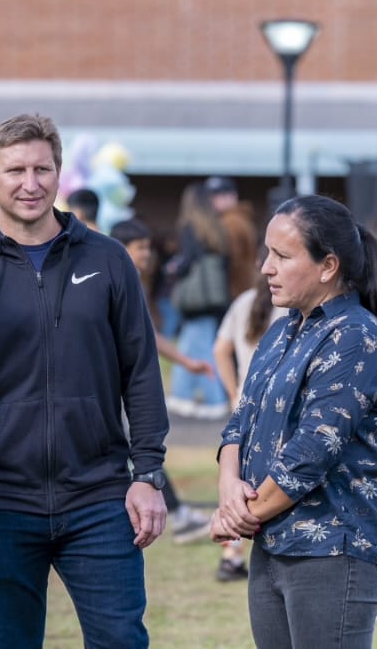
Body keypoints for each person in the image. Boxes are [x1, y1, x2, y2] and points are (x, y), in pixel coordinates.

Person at [0, 113, 169, 648]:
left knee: (122, 639)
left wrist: (147, 473)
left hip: (100, 496)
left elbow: (141, 373)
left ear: (59, 176)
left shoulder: (108, 260)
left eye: (42, 169)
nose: (30, 183)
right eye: (15, 170)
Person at [213, 194, 377, 649]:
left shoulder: (357, 336)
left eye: (281, 256)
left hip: (333, 547)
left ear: (327, 266)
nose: (265, 268)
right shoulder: (280, 331)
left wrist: (238, 518)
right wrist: (228, 491)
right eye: (266, 253)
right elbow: (240, 419)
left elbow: (313, 451)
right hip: (272, 543)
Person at [111, 217, 214, 545]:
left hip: (126, 386)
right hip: (110, 389)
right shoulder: (114, 279)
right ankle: (176, 514)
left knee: (139, 448)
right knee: (134, 447)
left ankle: (177, 514)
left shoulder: (131, 280)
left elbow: (148, 337)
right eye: (140, 248)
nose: (147, 255)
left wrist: (184, 361)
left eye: (147, 248)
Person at [211, 264, 286, 582]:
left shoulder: (243, 302)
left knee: (234, 483)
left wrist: (232, 392)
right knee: (266, 485)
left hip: (243, 405)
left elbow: (220, 349)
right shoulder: (289, 309)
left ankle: (231, 554)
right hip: (277, 409)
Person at [166, 183, 233, 419]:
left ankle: (209, 399)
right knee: (195, 345)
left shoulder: (188, 225)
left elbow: (189, 259)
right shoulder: (216, 227)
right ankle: (184, 396)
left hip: (195, 298)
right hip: (214, 296)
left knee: (197, 348)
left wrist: (174, 269)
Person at [205, 176, 258, 299]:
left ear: (232, 197)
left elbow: (235, 262)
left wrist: (230, 293)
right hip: (246, 287)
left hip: (238, 290)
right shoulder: (239, 218)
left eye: (219, 196)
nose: (213, 201)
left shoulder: (230, 222)